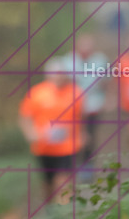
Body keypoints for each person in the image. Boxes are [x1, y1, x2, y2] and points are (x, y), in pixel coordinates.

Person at [19, 59, 84, 205]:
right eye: (55, 74)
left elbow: (81, 117)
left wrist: (82, 135)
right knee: (48, 184)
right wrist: (32, 134)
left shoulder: (75, 92)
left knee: (62, 182)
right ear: (47, 75)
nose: (58, 77)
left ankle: (64, 217)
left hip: (68, 147)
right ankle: (51, 212)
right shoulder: (36, 93)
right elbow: (24, 118)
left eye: (61, 73)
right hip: (44, 148)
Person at [53, 36, 108, 180]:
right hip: (72, 106)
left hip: (93, 105)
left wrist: (108, 98)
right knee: (72, 136)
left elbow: (106, 81)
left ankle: (87, 166)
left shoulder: (100, 60)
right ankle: (71, 167)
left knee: (89, 135)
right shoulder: (67, 61)